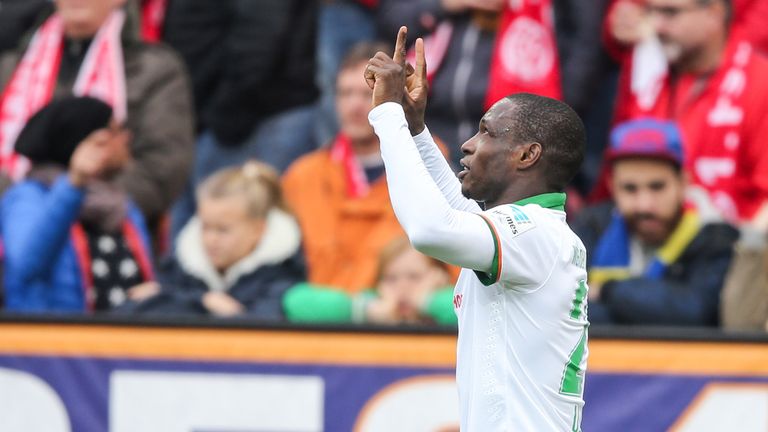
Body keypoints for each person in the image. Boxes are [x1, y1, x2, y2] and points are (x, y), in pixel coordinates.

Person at [365, 27, 589, 430]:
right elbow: (457, 210)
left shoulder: (533, 233)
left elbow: (432, 229)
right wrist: (415, 130)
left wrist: (386, 117)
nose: (468, 144)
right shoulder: (537, 231)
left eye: (487, 131)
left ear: (527, 154)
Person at [0, 0, 194, 234]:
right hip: (14, 234)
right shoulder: (12, 66)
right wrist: (25, 210)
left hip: (108, 238)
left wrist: (75, 207)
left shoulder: (155, 69)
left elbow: (163, 168)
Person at [597, 0, 768, 227]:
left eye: (670, 13)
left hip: (734, 246)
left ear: (714, 13)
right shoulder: (646, 77)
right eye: (650, 12)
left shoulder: (758, 83)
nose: (656, 25)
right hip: (648, 238)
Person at [572, 119, 738, 325]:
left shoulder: (715, 236)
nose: (645, 205)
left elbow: (697, 313)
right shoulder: (592, 225)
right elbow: (560, 311)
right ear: (611, 185)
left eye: (657, 187)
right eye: (630, 189)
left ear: (684, 182)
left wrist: (606, 290)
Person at [1, 97, 154, 313]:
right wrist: (74, 184)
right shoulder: (29, 197)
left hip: (126, 341)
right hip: (51, 340)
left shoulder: (120, 203)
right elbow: (25, 267)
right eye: (115, 131)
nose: (126, 138)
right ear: (87, 143)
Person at [282, 42, 407, 294]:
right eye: (345, 94)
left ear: (397, 99)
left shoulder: (429, 172)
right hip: (316, 325)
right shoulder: (303, 176)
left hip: (397, 326)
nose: (354, 106)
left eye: (366, 94)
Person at [125, 161, 305, 319]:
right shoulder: (181, 268)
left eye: (223, 230)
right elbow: (132, 310)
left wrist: (172, 298)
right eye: (205, 227)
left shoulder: (283, 277)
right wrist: (205, 301)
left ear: (258, 229)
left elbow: (259, 328)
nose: (211, 239)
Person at [284, 236, 457, 326]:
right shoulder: (373, 301)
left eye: (414, 277)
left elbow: (466, 311)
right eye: (391, 278)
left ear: (438, 276)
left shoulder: (453, 299)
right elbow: (295, 301)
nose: (402, 287)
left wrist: (426, 302)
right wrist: (367, 311)